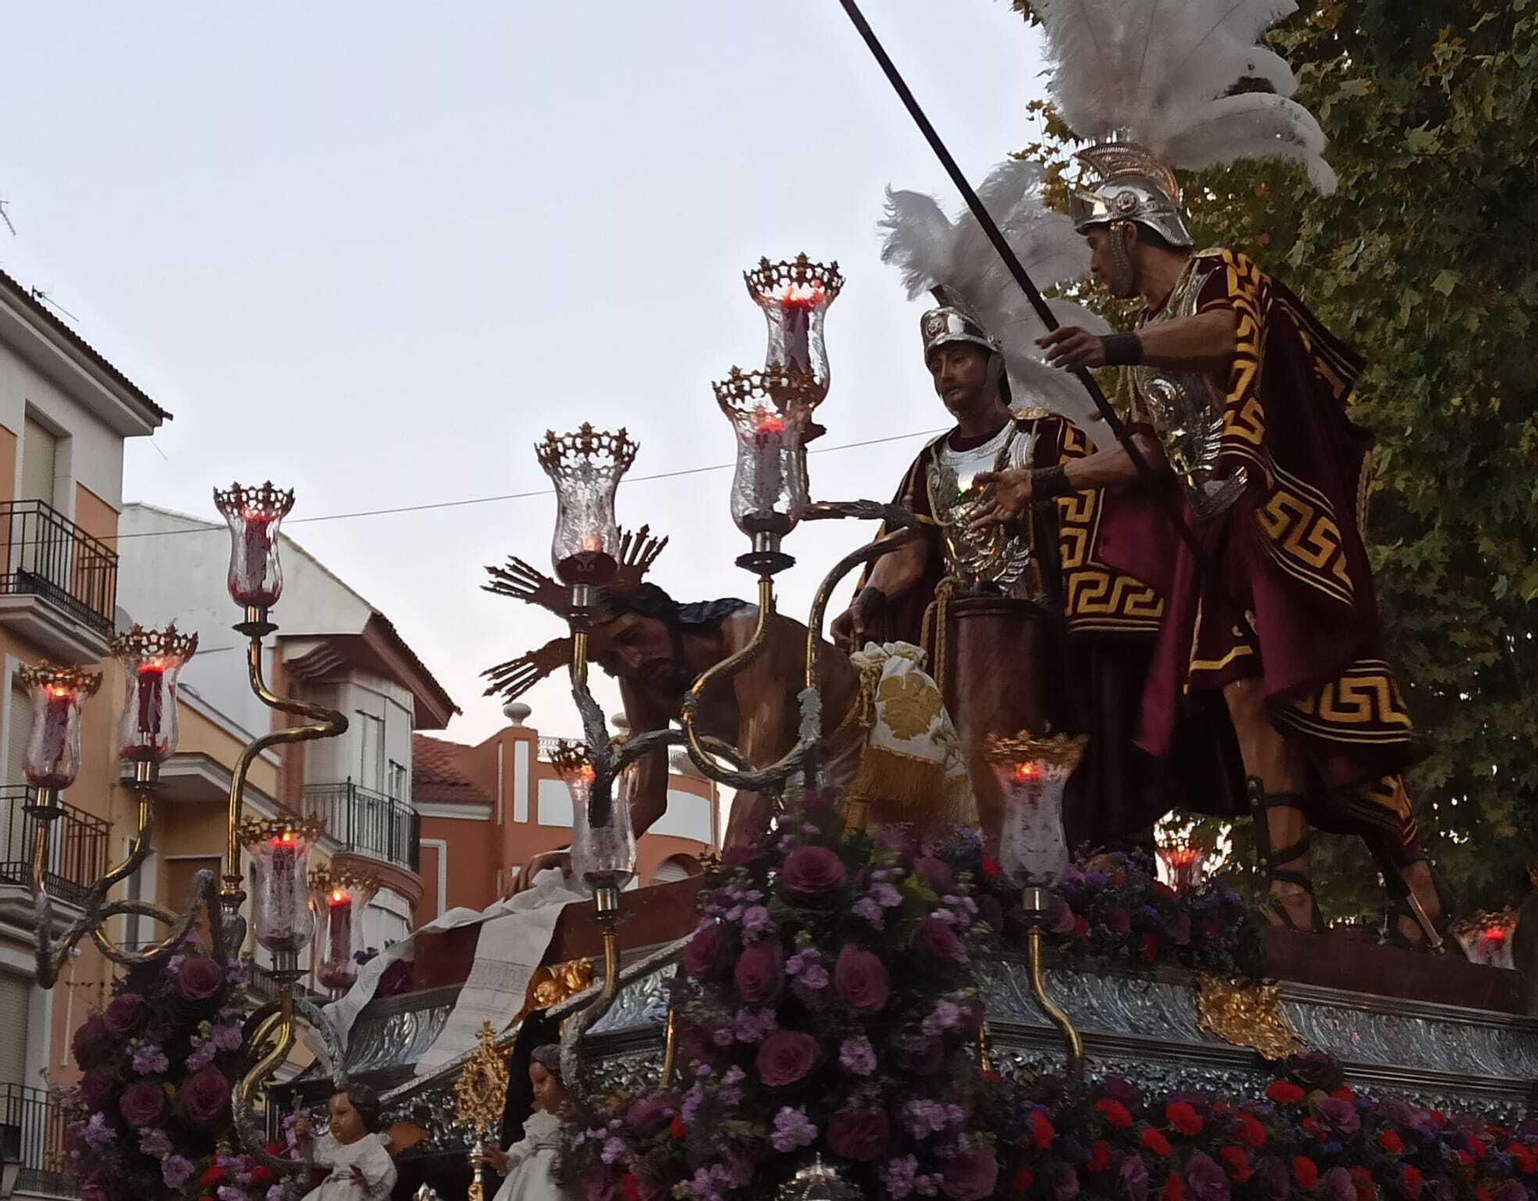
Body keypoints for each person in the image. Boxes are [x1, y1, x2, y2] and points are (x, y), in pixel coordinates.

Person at [970, 142, 1449, 946]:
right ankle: (1292, 892)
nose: (1093, 260)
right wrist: (1040, 485)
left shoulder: (1221, 272)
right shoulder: (1149, 332)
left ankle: (1420, 881)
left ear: (1130, 226)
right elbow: (1150, 451)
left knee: (1314, 690)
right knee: (1242, 694)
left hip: (1275, 514)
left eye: (1095, 238)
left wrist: (1113, 348)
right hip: (1213, 525)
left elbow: (1230, 336)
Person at [829, 285, 1234, 849]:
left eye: (959, 358)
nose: (946, 374)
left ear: (994, 362)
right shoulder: (928, 463)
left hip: (1048, 640)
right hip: (956, 646)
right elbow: (909, 546)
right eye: (937, 365)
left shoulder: (1046, 437)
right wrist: (868, 602)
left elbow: (1097, 517)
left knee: (1063, 769)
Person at [483, 537, 972, 849]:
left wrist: (729, 889)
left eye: (631, 638)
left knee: (926, 863)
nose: (631, 664)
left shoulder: (745, 635)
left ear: (663, 614)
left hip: (878, 728)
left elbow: (759, 768)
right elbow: (647, 801)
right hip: (805, 774)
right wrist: (578, 858)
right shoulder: (641, 682)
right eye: (608, 661)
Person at [486, 1045, 578, 1201]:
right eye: (534, 1084)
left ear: (563, 1078)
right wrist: (508, 1159)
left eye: (542, 1081)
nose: (536, 1090)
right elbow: (526, 1146)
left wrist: (573, 1119)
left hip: (557, 1181)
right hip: (527, 1182)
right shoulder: (538, 1120)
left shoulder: (581, 1113)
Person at [296, 1084, 398, 1201]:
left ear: (363, 1113)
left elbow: (386, 1172)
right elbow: (316, 1155)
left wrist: (367, 1182)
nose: (334, 1121)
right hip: (332, 1192)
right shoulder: (336, 1146)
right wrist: (306, 1138)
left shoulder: (370, 1143)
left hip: (356, 1192)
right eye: (331, 1116)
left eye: (341, 1113)